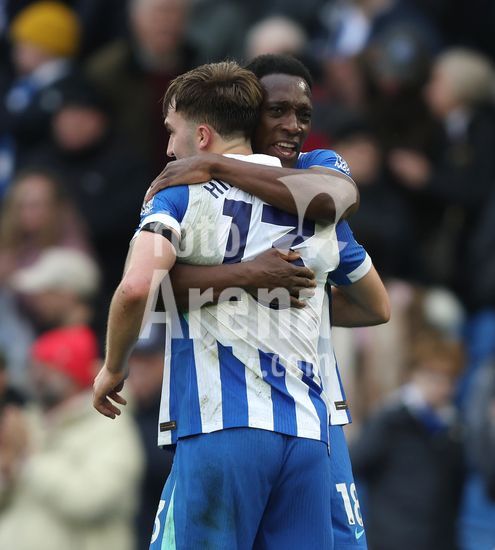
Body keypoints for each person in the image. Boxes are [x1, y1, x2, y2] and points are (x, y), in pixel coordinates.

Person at [145, 53, 390, 548]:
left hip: (303, 411)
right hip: (230, 414)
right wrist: (250, 278)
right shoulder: (194, 194)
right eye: (277, 110)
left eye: (303, 114)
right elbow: (151, 291)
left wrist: (216, 163)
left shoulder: (316, 176)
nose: (293, 125)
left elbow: (372, 297)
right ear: (245, 113)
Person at [0, 326, 144, 550]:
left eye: (48, 367)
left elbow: (92, 499)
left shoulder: (109, 426)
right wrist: (7, 466)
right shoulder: (28, 422)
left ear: (74, 372)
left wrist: (25, 463)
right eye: (35, 366)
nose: (37, 376)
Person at [350, 334, 465, 550]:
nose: (441, 386)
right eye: (432, 376)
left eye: (449, 378)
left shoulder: (454, 430)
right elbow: (354, 464)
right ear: (412, 375)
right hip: (391, 540)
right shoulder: (390, 421)